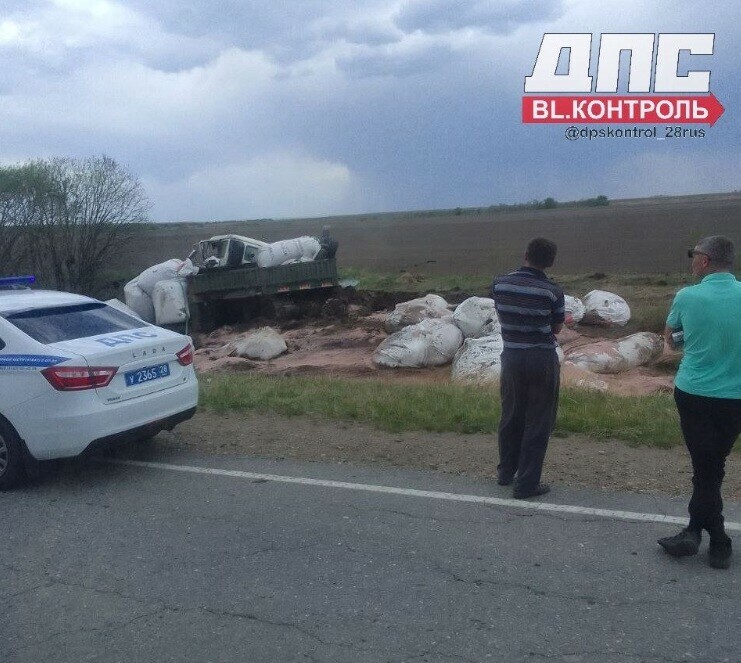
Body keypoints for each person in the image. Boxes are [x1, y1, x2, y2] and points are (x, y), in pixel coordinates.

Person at [658, 236, 741, 569]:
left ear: (705, 261)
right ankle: (694, 530)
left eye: (694, 255)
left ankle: (718, 539)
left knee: (706, 469)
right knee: (711, 467)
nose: (691, 261)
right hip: (736, 397)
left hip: (695, 394)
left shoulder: (687, 296)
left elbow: (670, 338)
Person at [491, 238, 565, 499]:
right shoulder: (553, 292)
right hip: (541, 359)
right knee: (539, 420)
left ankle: (505, 472)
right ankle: (526, 483)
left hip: (511, 356)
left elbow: (500, 313)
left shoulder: (499, 283)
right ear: (550, 263)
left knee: (511, 413)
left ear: (525, 255)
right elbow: (557, 328)